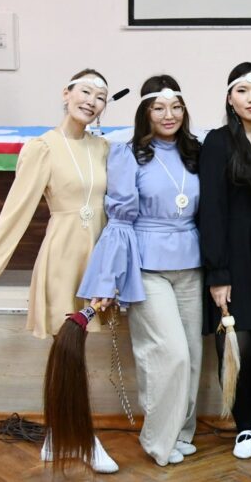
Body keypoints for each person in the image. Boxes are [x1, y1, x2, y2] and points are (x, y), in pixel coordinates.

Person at [0, 69, 118, 473]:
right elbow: (16, 212)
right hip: (62, 259)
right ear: (66, 93)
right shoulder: (42, 148)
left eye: (101, 97)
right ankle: (81, 439)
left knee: (76, 354)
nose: (92, 101)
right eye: (85, 91)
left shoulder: (104, 148)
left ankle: (59, 436)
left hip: (97, 259)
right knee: (67, 353)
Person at [76, 75, 203, 466]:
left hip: (191, 262)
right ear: (145, 112)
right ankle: (158, 439)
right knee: (169, 353)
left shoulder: (196, 151)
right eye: (159, 108)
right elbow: (119, 220)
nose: (169, 115)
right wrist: (108, 277)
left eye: (176, 107)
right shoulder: (127, 154)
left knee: (193, 355)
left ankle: (180, 431)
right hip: (147, 266)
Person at [200, 62, 251, 460]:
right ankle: (242, 425)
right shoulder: (218, 142)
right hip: (234, 259)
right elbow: (212, 211)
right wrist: (218, 272)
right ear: (230, 99)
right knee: (238, 342)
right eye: (242, 91)